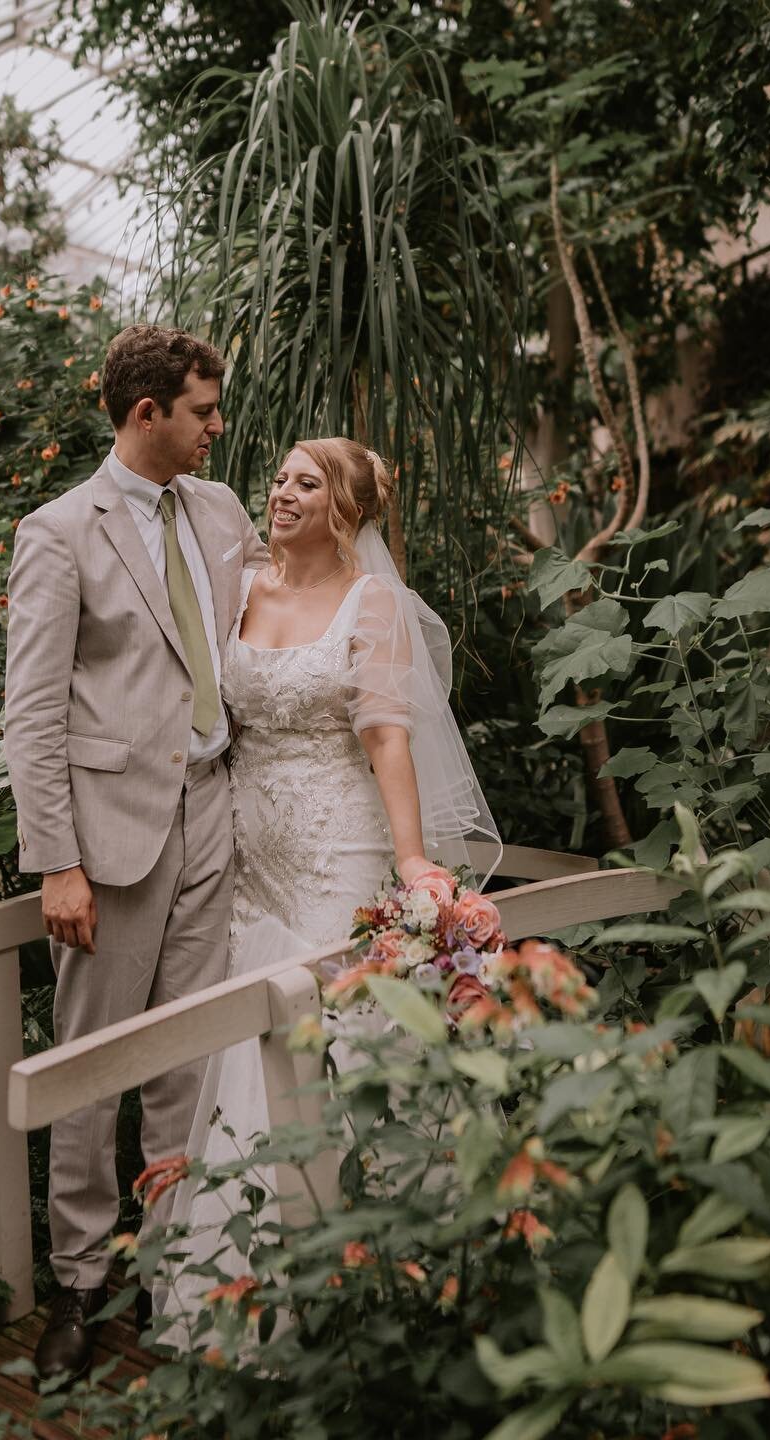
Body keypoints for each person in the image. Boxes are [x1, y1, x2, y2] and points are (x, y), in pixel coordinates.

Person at [154, 436, 499, 1332]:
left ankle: (369, 1269)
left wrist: (416, 858)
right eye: (278, 479)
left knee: (332, 1037)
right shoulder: (242, 587)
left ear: (346, 508)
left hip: (336, 849)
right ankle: (258, 1294)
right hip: (243, 853)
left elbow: (386, 735)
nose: (280, 493)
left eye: (305, 483)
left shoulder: (372, 602)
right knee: (247, 1040)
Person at [3, 324, 267, 1381]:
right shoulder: (59, 532)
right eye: (203, 411)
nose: (218, 427)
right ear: (144, 413)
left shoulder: (224, 510)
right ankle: (77, 1283)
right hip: (107, 843)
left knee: (189, 1061)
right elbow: (32, 712)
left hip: (216, 811)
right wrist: (55, 861)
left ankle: (172, 1273)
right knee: (91, 1066)